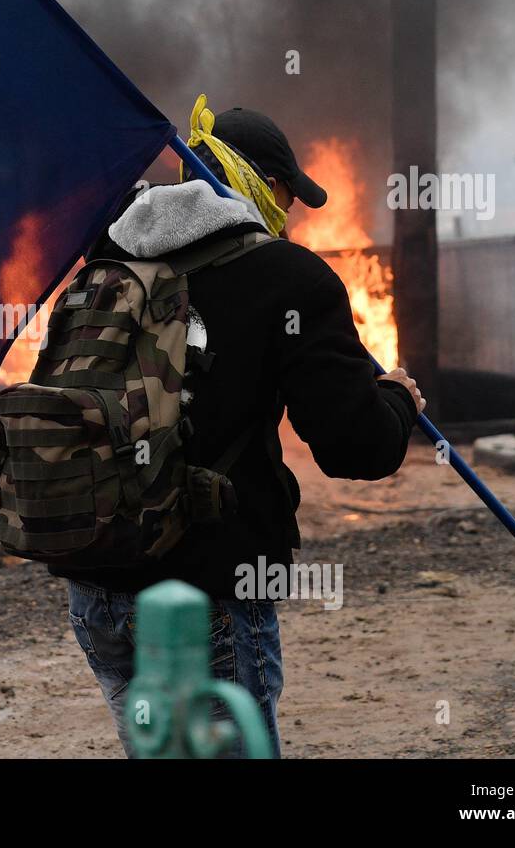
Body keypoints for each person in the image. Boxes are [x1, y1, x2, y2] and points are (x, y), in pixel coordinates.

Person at [55, 100, 426, 757]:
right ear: (261, 183)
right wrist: (395, 400)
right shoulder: (289, 278)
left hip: (97, 590)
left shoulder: (105, 260)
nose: (286, 211)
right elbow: (353, 447)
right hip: (212, 596)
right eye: (286, 192)